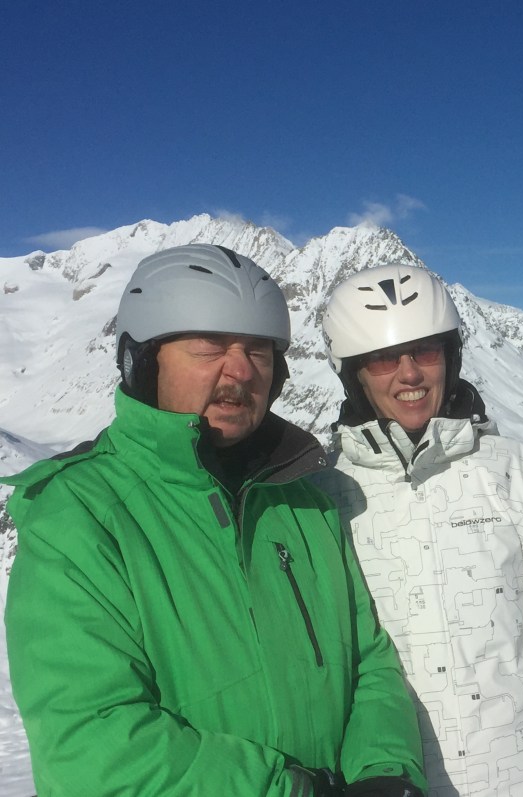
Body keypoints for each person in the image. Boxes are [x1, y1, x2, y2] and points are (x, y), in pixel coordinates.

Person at [2, 245, 427, 797]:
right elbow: (90, 746)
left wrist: (385, 771)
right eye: (209, 346)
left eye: (258, 350)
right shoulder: (78, 515)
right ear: (143, 362)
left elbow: (368, 659)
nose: (241, 370)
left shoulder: (303, 500)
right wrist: (290, 790)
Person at [314, 263, 523, 797]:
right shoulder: (324, 497)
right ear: (355, 376)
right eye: (383, 358)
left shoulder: (517, 471)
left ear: (450, 357)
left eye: (425, 351)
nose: (409, 374)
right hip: (390, 783)